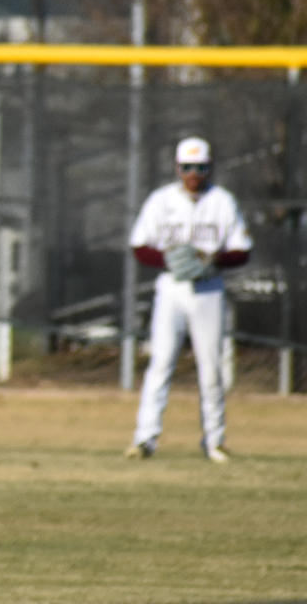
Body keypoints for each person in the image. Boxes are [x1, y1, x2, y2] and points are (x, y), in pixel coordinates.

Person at [124, 137, 250, 462]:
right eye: (187, 168)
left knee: (211, 368)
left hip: (209, 290)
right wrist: (168, 259)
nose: (193, 174)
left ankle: (214, 441)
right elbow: (140, 246)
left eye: (200, 168)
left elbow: (242, 250)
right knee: (161, 363)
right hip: (172, 289)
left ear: (209, 168)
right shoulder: (161, 200)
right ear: (177, 169)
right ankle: (145, 439)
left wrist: (214, 260)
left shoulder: (222, 201)